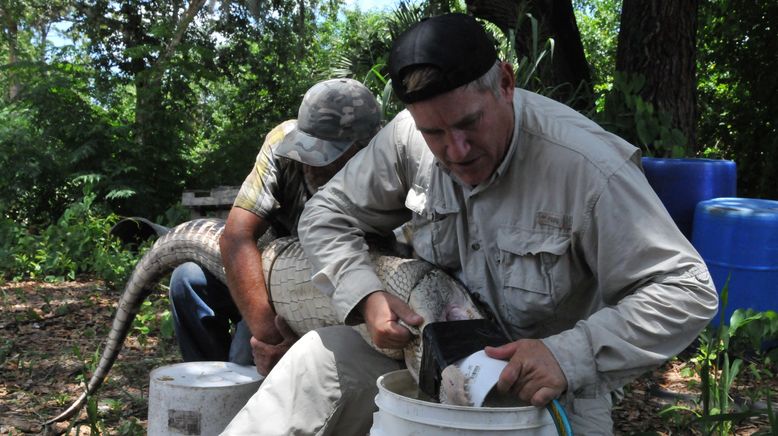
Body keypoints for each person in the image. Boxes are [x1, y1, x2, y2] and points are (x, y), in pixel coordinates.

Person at [222, 13, 718, 435]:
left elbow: (686, 289)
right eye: (434, 132)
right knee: (315, 360)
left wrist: (569, 354)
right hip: (425, 358)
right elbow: (326, 215)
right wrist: (366, 294)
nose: (454, 151)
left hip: (544, 395)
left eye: (468, 124)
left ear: (505, 82)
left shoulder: (586, 168)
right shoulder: (405, 139)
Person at [168, 78, 382, 374]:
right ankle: (210, 388)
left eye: (326, 155)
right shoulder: (283, 141)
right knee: (189, 281)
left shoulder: (388, 166)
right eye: (306, 148)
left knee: (247, 361)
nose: (309, 164)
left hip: (339, 290)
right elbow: (236, 237)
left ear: (363, 148)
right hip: (276, 275)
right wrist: (271, 337)